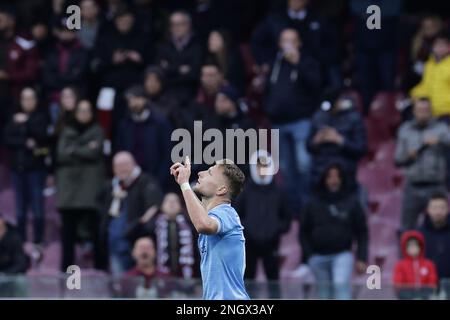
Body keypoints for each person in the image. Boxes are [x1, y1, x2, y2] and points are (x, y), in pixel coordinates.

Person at [170, 157, 249, 300]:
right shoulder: (215, 215)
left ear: (222, 189)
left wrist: (184, 184)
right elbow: (203, 216)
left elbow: (203, 224)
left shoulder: (227, 213)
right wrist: (183, 184)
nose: (200, 173)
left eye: (210, 172)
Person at [264, 28, 321, 215]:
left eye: (291, 40)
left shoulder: (307, 62)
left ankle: (307, 204)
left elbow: (316, 86)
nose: (287, 45)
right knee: (286, 169)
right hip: (278, 123)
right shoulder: (275, 63)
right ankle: (293, 208)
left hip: (300, 122)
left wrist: (299, 65)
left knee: (304, 164)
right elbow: (269, 89)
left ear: (299, 43)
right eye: (284, 41)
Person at [300, 164, 368, 300]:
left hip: (342, 254)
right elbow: (303, 231)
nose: (334, 180)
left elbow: (362, 231)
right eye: (330, 176)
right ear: (324, 179)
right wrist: (309, 255)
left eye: (337, 176)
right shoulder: (312, 203)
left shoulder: (352, 202)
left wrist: (362, 257)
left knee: (340, 288)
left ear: (342, 179)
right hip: (318, 256)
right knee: (323, 295)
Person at [56, 99, 105, 271]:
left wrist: (74, 149)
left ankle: (101, 273)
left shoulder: (98, 131)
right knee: (67, 237)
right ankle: (66, 276)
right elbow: (61, 154)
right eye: (81, 110)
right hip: (69, 194)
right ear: (76, 113)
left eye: (87, 110)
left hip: (90, 194)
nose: (84, 113)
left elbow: (95, 152)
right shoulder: (67, 131)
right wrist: (85, 149)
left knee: (97, 235)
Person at [236, 150, 291, 298]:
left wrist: (276, 229)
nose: (262, 170)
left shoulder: (279, 191)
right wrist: (246, 229)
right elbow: (236, 215)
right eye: (259, 166)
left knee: (274, 282)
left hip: (272, 244)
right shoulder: (245, 190)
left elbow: (287, 219)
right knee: (248, 281)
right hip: (249, 244)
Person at [100, 151, 163, 275]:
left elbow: (154, 206)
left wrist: (139, 224)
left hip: (136, 242)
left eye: (125, 164)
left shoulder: (145, 181)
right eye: (118, 166)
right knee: (120, 283)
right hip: (114, 246)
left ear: (134, 164)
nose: (122, 169)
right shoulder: (111, 187)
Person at [251, 0, 339, 87]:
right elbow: (257, 42)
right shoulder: (275, 19)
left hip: (312, 71)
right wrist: (267, 62)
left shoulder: (318, 19)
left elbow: (331, 46)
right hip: (279, 71)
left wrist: (315, 63)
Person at [395, 98, 450, 230]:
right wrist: (410, 155)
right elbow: (397, 160)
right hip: (413, 186)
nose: (423, 113)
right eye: (420, 110)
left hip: (436, 186)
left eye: (426, 110)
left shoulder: (441, 129)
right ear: (414, 111)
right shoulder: (405, 130)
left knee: (443, 227)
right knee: (407, 228)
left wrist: (440, 143)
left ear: (431, 111)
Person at [3, 87, 49, 248]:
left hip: (35, 168)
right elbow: (8, 139)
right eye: (24, 98)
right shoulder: (13, 118)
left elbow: (42, 137)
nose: (27, 102)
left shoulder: (41, 117)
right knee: (20, 209)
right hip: (17, 168)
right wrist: (25, 142)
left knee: (37, 207)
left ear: (36, 100)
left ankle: (38, 241)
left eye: (30, 98)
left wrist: (26, 123)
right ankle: (21, 242)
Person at [307, 89, 367, 190]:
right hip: (321, 172)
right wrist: (316, 140)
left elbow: (361, 149)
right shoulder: (319, 116)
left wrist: (340, 140)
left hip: (345, 172)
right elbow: (308, 146)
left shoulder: (353, 117)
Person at [115, 85, 172, 190]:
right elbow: (121, 150)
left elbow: (168, 153)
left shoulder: (160, 123)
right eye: (130, 100)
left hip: (155, 179)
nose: (134, 103)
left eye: (137, 98)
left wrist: (160, 179)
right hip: (130, 180)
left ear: (145, 100)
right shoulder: (125, 125)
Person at [155, 11, 204, 106]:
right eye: (173, 24)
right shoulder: (163, 46)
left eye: (179, 24)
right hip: (167, 94)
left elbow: (194, 74)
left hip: (191, 95)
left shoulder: (198, 46)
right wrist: (180, 70)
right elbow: (160, 73)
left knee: (198, 120)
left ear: (188, 25)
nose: (176, 28)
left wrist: (170, 68)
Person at [147, 193, 197, 279]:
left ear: (181, 206)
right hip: (161, 273)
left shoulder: (190, 224)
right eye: (168, 201)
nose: (171, 203)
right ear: (162, 206)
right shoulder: (154, 225)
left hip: (186, 273)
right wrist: (146, 218)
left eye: (175, 201)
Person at [42, 16, 88, 107]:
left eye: (69, 31)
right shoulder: (52, 51)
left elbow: (79, 75)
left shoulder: (82, 51)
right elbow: (47, 76)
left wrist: (59, 79)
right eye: (63, 31)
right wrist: (64, 81)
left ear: (74, 32)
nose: (65, 34)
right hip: (55, 97)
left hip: (76, 98)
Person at [410, 32, 450, 118]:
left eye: (443, 45)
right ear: (433, 47)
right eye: (437, 45)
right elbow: (425, 86)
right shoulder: (429, 65)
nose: (440, 48)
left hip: (447, 112)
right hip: (431, 113)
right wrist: (414, 94)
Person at [393, 230, 438, 299]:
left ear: (420, 246)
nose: (413, 247)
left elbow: (432, 283)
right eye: (410, 245)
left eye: (415, 244)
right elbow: (398, 285)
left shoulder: (429, 264)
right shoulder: (400, 265)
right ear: (405, 247)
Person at [418, 193, 450, 281]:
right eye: (434, 208)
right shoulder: (418, 234)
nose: (438, 212)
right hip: (425, 286)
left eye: (442, 208)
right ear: (427, 210)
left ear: (448, 209)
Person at [206, 30, 246, 94]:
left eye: (214, 39)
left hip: (235, 90)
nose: (210, 42)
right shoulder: (211, 58)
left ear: (224, 41)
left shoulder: (233, 58)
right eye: (210, 39)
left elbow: (237, 80)